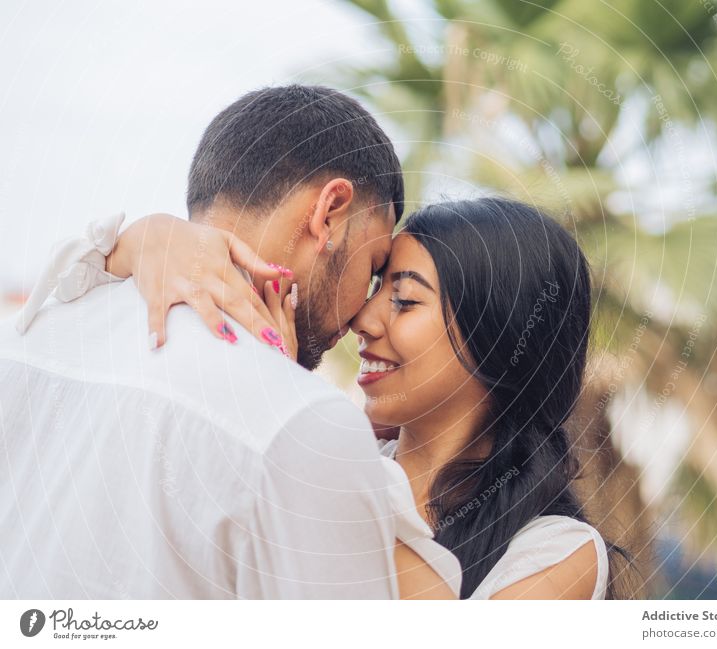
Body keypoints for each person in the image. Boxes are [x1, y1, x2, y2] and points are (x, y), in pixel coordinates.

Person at [34, 196, 637, 599]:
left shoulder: (558, 553)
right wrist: (146, 237)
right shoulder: (331, 456)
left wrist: (278, 403)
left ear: (499, 334)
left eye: (403, 299)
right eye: (376, 289)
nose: (364, 320)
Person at [0, 85, 462, 599]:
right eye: (373, 267)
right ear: (329, 212)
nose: (361, 315)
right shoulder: (305, 423)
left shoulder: (30, 333)